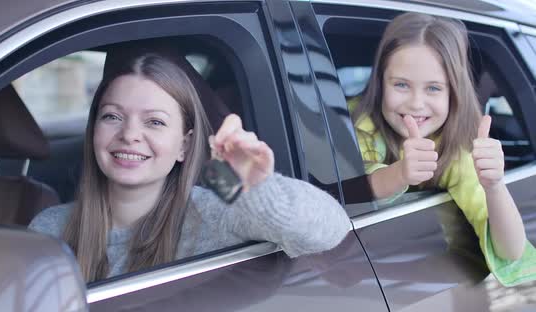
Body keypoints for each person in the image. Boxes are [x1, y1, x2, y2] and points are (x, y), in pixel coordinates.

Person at [29, 53, 350, 283]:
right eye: (112, 116)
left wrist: (256, 186)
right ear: (94, 130)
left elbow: (327, 231)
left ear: (184, 144)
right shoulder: (50, 228)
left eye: (154, 122)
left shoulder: (212, 213)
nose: (128, 135)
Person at [349, 12, 536, 286]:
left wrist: (494, 186)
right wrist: (400, 174)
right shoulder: (353, 122)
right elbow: (349, 189)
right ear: (380, 82)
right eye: (401, 84)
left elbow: (511, 251)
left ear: (454, 93)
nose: (415, 103)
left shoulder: (456, 149)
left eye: (433, 88)